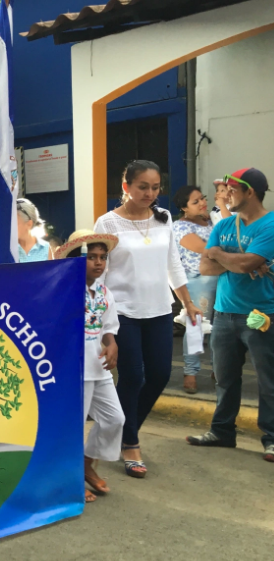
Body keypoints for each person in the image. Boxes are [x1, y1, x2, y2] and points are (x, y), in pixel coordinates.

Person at [94, 160, 202, 479]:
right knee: (133, 377)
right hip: (122, 312)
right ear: (125, 186)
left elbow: (173, 264)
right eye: (143, 186)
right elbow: (99, 272)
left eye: (155, 188)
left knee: (159, 375)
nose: (150, 193)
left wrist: (188, 302)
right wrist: (103, 326)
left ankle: (119, 430)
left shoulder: (164, 218)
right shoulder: (107, 222)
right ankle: (130, 443)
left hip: (159, 311)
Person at [188, 168, 274, 463]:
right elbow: (205, 268)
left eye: (232, 189)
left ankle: (272, 439)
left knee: (269, 380)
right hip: (224, 313)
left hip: (262, 313)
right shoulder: (224, 225)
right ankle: (222, 431)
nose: (225, 194)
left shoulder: (271, 224)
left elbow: (246, 261)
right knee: (224, 378)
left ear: (251, 192)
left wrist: (222, 256)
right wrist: (239, 262)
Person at [54, 230, 125, 503]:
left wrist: (111, 343)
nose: (98, 262)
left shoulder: (105, 292)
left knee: (114, 419)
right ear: (75, 260)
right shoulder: (63, 291)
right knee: (74, 425)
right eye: (91, 257)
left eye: (102, 257)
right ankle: (69, 477)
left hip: (99, 366)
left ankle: (86, 465)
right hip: (74, 369)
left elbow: (108, 326)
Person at [172, 185, 217, 394]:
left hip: (222, 278)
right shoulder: (180, 227)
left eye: (202, 198)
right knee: (196, 328)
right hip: (198, 281)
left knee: (222, 330)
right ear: (184, 208)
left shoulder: (210, 220)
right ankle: (190, 372)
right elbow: (204, 250)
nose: (202, 203)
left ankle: (218, 369)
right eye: (195, 201)